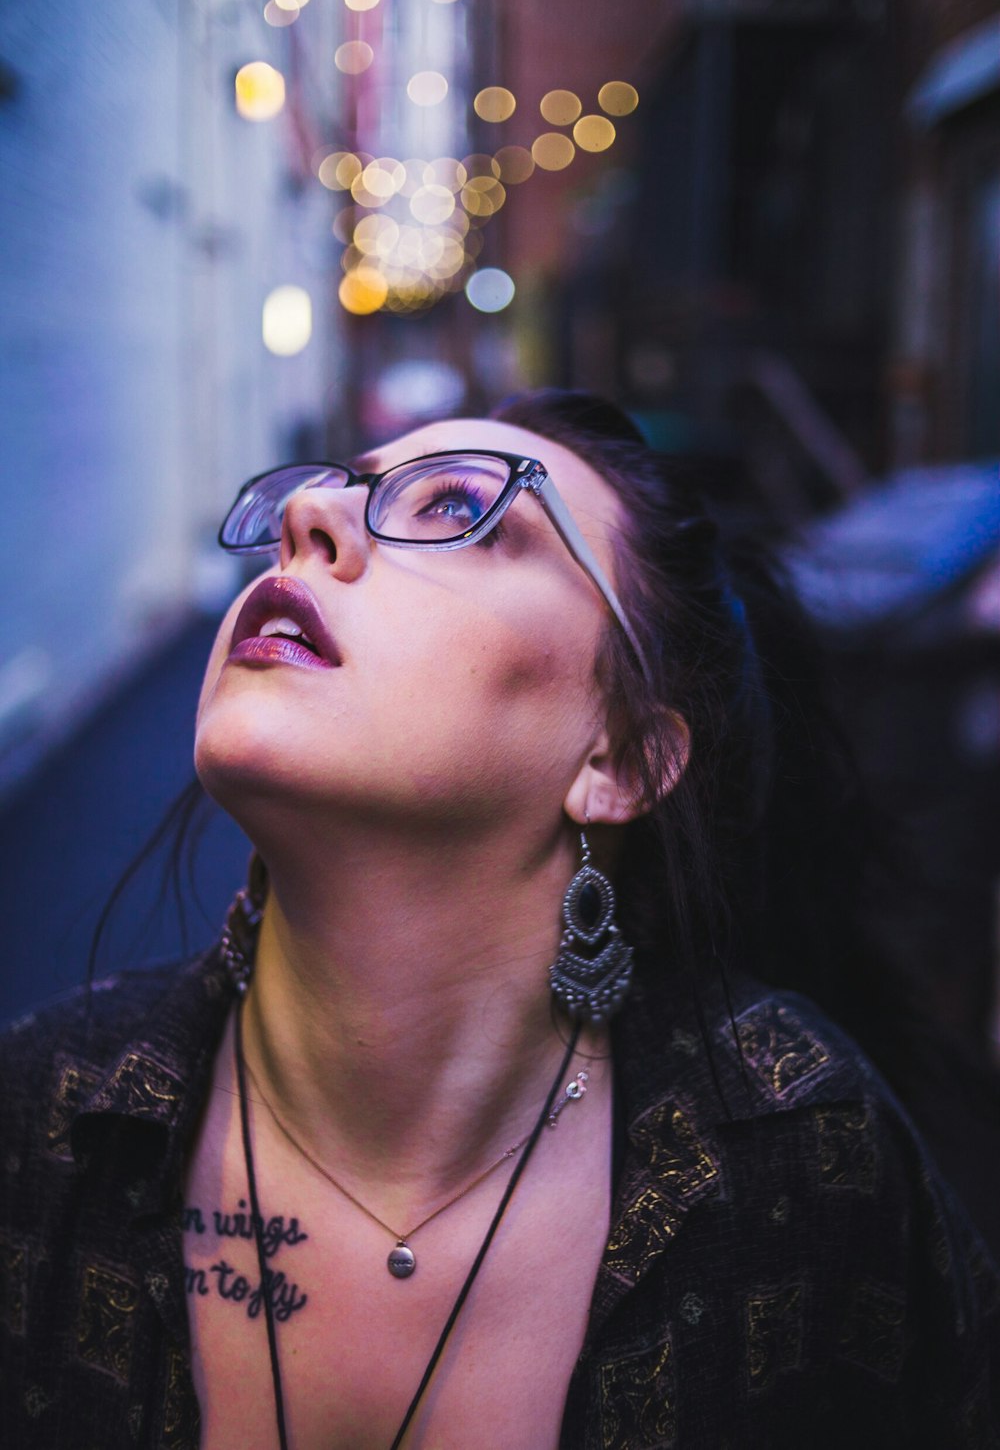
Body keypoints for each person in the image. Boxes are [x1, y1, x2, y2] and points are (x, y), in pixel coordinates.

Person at [1, 390, 997, 1450]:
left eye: (457, 510)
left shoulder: (798, 1166)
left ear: (619, 758)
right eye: (331, 489)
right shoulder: (45, 1125)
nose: (310, 522)